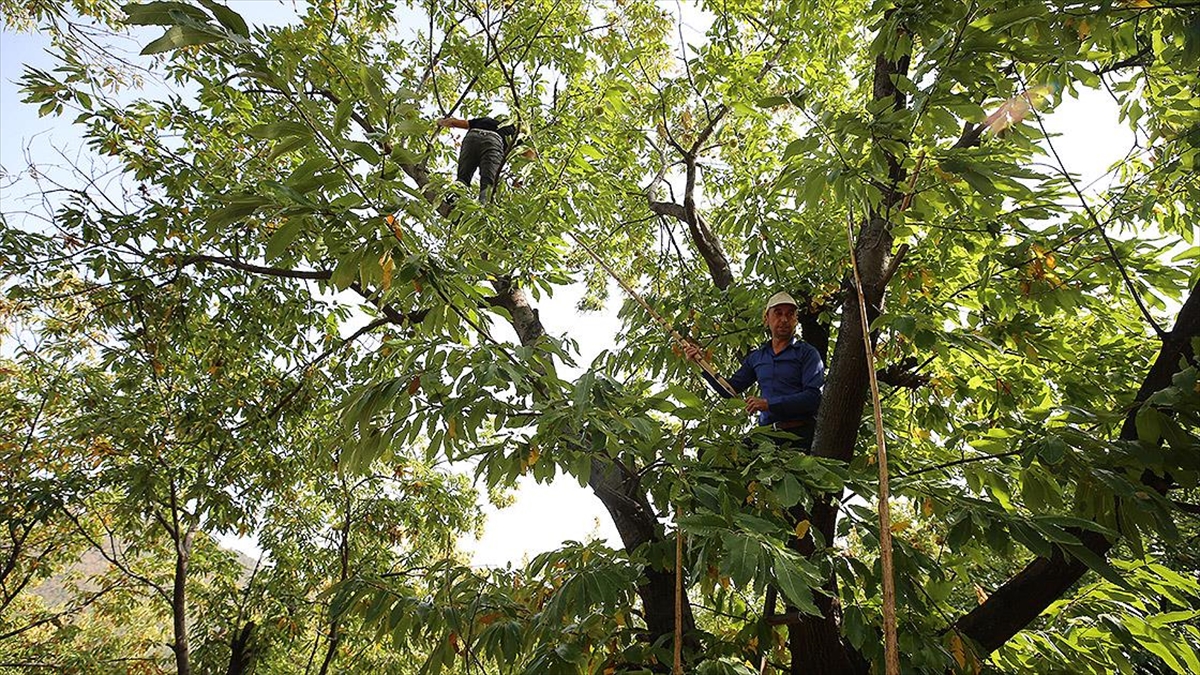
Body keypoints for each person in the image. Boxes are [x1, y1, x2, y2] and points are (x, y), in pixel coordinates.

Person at [684, 291, 824, 448]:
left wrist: (769, 404)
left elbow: (813, 397)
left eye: (790, 314)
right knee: (715, 455)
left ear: (796, 320)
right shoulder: (758, 357)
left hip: (800, 435)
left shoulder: (807, 353)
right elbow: (729, 390)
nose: (784, 319)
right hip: (766, 436)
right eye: (778, 313)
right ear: (766, 319)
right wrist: (701, 364)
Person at [436, 115, 532, 200]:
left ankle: (453, 198)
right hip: (494, 141)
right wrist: (521, 176)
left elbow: (455, 122)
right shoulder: (512, 131)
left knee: (463, 177)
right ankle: (484, 212)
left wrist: (441, 121)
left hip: (472, 137)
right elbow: (529, 154)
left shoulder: (485, 120)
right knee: (488, 184)